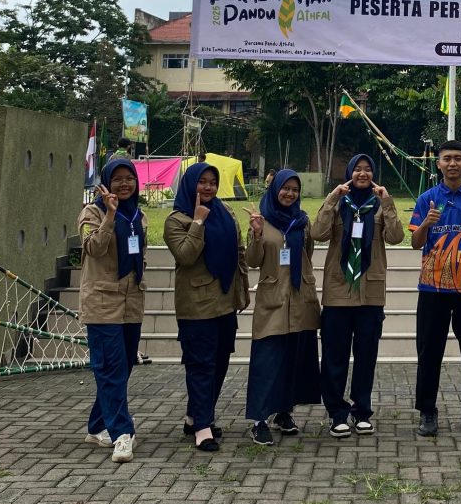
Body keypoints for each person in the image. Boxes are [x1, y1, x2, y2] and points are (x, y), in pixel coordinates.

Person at [313, 154, 404, 438]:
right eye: (357, 169)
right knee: (334, 357)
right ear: (350, 173)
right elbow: (318, 232)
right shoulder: (339, 202)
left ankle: (361, 411)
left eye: (368, 169)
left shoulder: (379, 204)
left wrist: (387, 203)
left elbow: (396, 237)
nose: (362, 174)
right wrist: (331, 198)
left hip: (370, 293)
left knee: (366, 356)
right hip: (339, 291)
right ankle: (337, 413)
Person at [409, 139, 461, 437]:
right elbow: (414, 242)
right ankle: (427, 412)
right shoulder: (427, 199)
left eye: (458, 158)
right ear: (439, 163)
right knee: (429, 352)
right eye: (447, 158)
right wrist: (426, 224)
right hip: (433, 288)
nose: (453, 163)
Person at [164, 162, 249, 452]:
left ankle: (194, 417)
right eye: (202, 182)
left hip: (225, 301)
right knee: (201, 365)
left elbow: (238, 252)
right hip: (196, 305)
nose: (208, 187)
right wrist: (198, 222)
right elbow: (186, 256)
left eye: (213, 181)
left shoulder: (225, 212)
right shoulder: (177, 219)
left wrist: (241, 291)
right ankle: (202, 427)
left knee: (221, 362)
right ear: (190, 184)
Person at [243, 169, 322, 445]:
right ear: (274, 189)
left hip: (300, 299)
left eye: (294, 189)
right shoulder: (261, 221)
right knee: (267, 361)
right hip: (273, 301)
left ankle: (284, 412)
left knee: (293, 360)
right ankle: (259, 420)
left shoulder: (302, 221)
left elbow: (307, 253)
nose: (289, 194)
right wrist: (255, 235)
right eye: (285, 188)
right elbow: (252, 261)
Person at [77, 158, 147, 463]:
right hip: (102, 304)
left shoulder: (139, 217)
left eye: (129, 178)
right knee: (111, 368)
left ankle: (96, 426)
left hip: (131, 303)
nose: (123, 184)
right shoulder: (92, 212)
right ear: (106, 182)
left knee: (123, 366)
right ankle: (122, 433)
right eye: (117, 178)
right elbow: (93, 248)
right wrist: (110, 216)